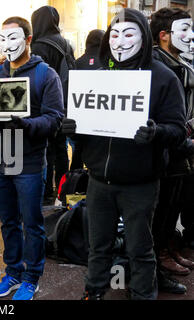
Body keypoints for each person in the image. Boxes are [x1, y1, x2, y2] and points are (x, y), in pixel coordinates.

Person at [62, 8, 186, 300]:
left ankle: (143, 294)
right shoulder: (97, 76)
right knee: (98, 246)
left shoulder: (164, 77)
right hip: (98, 181)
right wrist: (72, 129)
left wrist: (157, 133)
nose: (120, 42)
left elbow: (178, 130)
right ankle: (93, 292)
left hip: (140, 183)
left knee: (140, 249)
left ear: (144, 37)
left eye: (129, 34)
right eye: (114, 35)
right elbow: (86, 127)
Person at [0, 16, 64, 300]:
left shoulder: (46, 75)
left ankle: (32, 277)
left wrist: (26, 125)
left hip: (29, 163)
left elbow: (55, 120)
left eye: (14, 38)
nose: (7, 45)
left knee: (32, 223)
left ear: (28, 39)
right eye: (3, 39)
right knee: (7, 221)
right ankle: (13, 272)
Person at [150, 7, 194, 293]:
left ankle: (169, 246)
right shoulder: (159, 65)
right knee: (162, 206)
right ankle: (159, 258)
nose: (191, 36)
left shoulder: (180, 62)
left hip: (182, 146)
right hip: (168, 149)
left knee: (174, 203)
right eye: (185, 30)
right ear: (164, 36)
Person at [31, 5, 74, 205]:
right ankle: (64, 190)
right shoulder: (66, 44)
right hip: (65, 103)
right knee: (61, 148)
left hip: (46, 104)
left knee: (46, 149)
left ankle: (47, 191)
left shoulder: (39, 45)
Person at [70, 29, 105, 170]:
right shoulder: (108, 63)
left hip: (80, 115)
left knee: (78, 150)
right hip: (101, 114)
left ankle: (75, 181)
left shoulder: (77, 62)